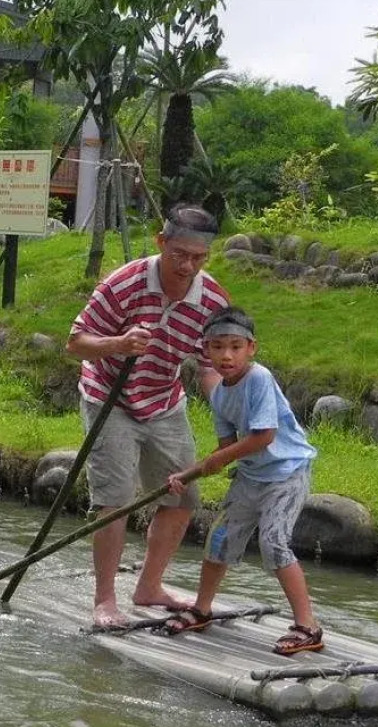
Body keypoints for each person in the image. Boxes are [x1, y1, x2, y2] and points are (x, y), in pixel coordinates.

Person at [66, 202, 231, 631]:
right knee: (114, 500)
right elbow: (77, 342)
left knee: (183, 497)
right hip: (109, 397)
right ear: (161, 242)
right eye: (179, 254)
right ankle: (105, 600)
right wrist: (118, 343)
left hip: (163, 401)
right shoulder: (124, 284)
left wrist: (223, 403)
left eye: (198, 258)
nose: (187, 266)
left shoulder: (211, 298)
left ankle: (149, 587)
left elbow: (208, 363)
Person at [166, 305, 323, 655]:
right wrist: (186, 475)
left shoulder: (259, 379)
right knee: (218, 539)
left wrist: (216, 459)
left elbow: (263, 436)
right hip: (250, 477)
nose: (227, 355)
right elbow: (225, 450)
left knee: (274, 542)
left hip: (286, 474)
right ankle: (201, 609)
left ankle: (308, 627)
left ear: (251, 348)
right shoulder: (219, 394)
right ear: (206, 350)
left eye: (236, 346)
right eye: (218, 347)